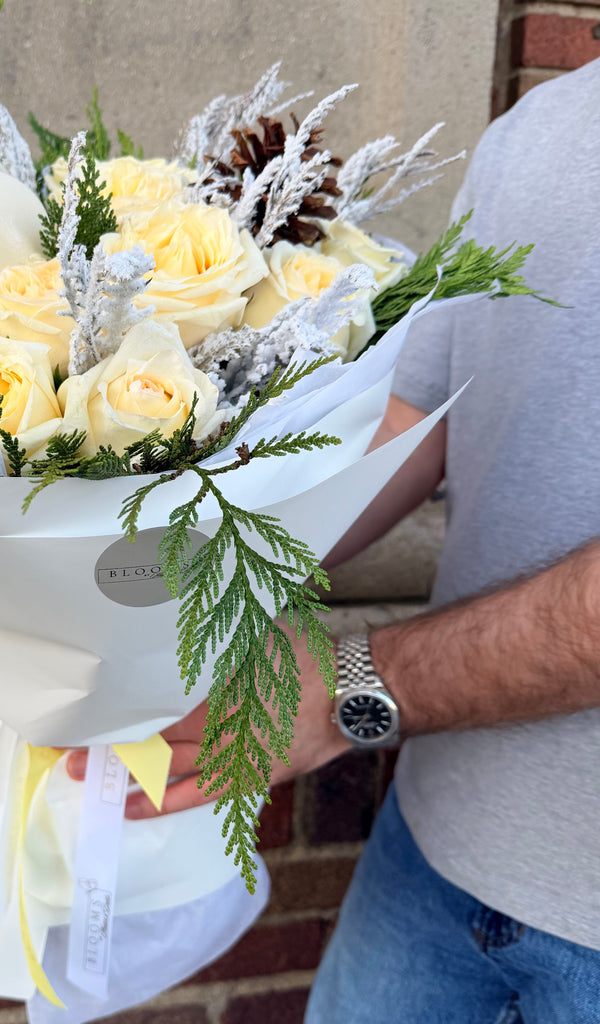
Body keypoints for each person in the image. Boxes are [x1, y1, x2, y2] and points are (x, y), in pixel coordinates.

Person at [68, 57, 600, 1022]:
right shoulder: (546, 124)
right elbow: (421, 419)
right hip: (437, 849)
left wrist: (344, 690)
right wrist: (139, 574)